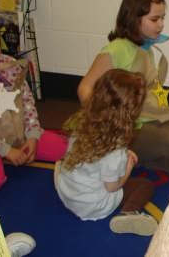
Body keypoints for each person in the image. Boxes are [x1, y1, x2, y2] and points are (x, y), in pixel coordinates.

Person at [76, 0, 169, 176]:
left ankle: (135, 160)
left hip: (147, 121)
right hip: (125, 129)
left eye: (163, 18)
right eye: (154, 19)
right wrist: (106, 126)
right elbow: (85, 87)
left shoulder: (146, 48)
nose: (161, 25)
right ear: (134, 19)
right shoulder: (117, 49)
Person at [0, 6, 67, 193]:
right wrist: (5, 151)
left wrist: (33, 137)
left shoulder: (10, 64)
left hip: (19, 134)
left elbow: (28, 104)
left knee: (66, 149)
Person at [55, 69, 158, 236]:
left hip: (67, 192)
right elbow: (112, 187)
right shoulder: (115, 150)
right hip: (93, 205)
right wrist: (128, 168)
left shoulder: (81, 123)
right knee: (144, 186)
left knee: (74, 166)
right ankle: (128, 214)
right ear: (130, 112)